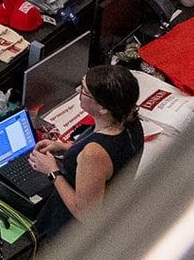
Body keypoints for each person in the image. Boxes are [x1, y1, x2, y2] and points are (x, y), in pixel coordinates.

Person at [27, 64, 145, 239]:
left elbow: (86, 214)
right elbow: (108, 161)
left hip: (68, 232)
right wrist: (63, 147)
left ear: (103, 107)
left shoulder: (94, 153)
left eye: (84, 91)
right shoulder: (131, 123)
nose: (77, 90)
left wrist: (52, 171)